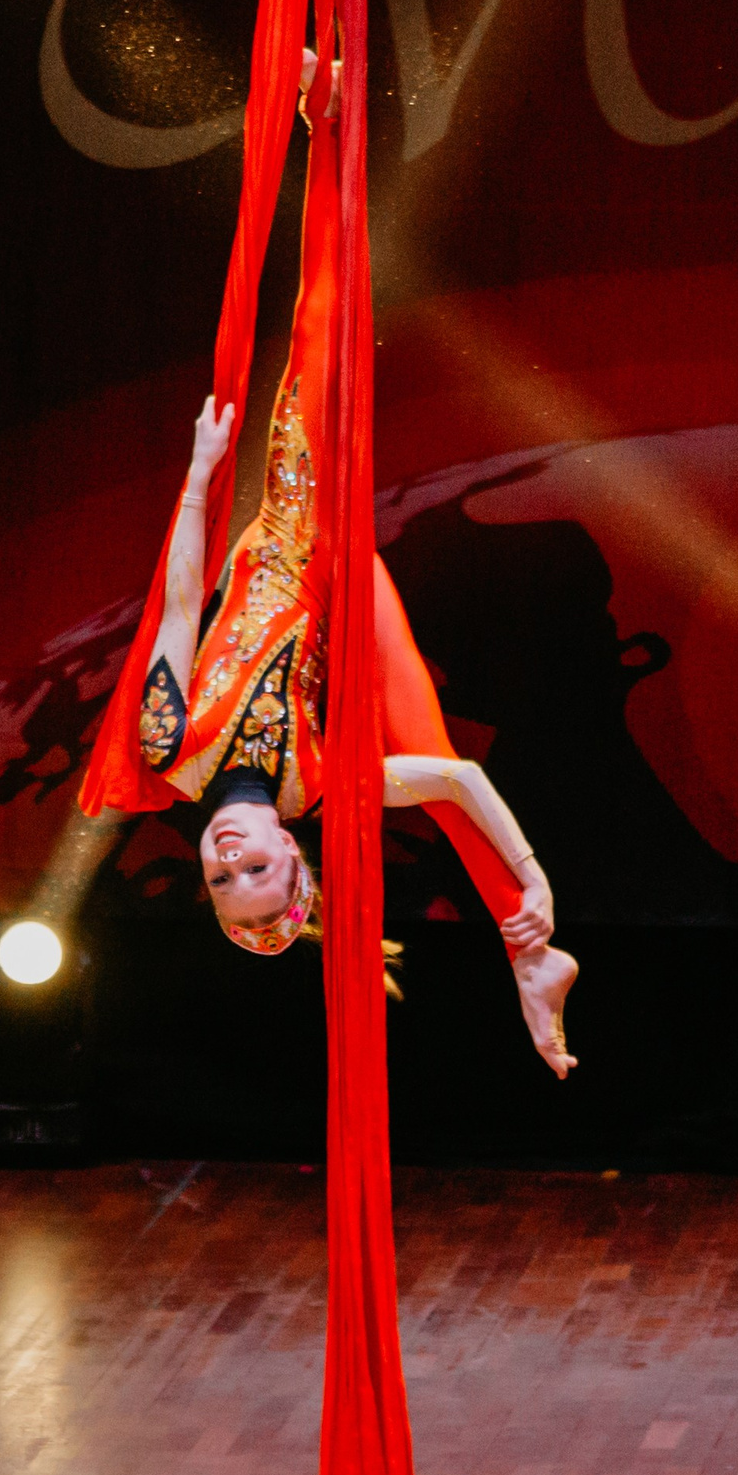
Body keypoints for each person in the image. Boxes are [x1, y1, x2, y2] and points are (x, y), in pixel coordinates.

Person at [134, 104, 578, 1077]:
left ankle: (529, 957)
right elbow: (460, 781)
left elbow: (179, 604)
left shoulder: (168, 751)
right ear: (294, 855)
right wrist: (537, 874)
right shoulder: (320, 786)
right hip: (320, 544)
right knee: (319, 333)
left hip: (302, 538)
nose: (231, 856)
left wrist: (200, 474)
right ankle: (329, 122)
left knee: (319, 333)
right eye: (257, 869)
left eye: (222, 879)